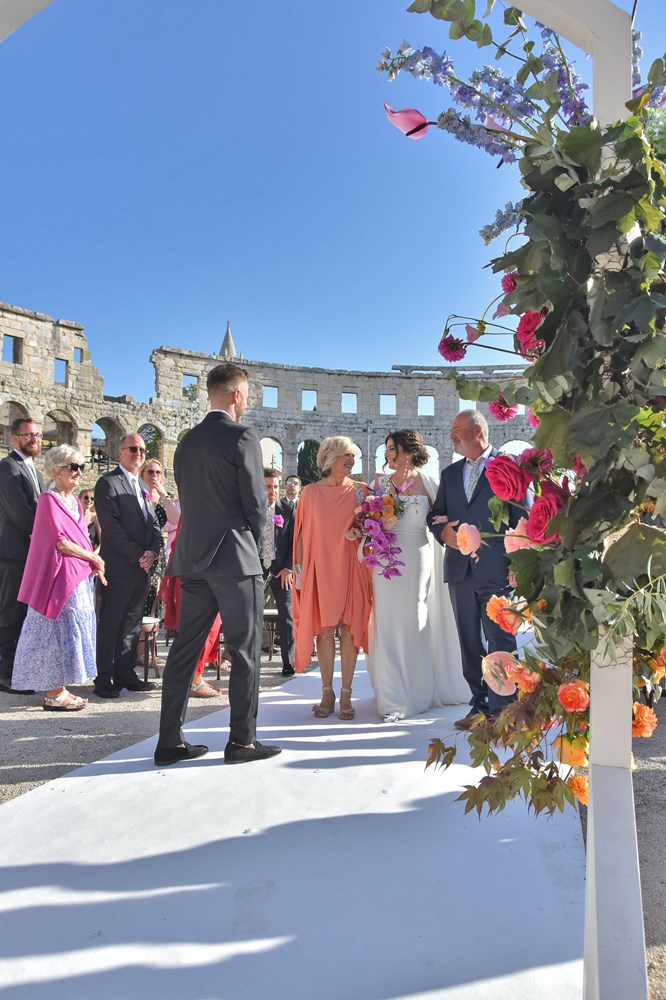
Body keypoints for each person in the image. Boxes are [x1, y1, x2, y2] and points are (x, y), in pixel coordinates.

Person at [154, 362, 281, 766]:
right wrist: (251, 541)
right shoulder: (242, 435)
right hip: (234, 559)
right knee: (244, 650)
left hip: (193, 558)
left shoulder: (186, 442)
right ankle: (242, 741)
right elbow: (256, 503)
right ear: (237, 395)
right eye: (247, 395)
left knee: (184, 650)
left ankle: (169, 741)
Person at [428, 410, 522, 730]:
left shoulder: (508, 466)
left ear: (478, 430)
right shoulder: (450, 474)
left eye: (457, 429)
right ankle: (480, 706)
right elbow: (436, 515)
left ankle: (504, 711)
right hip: (459, 571)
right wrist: (442, 532)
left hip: (498, 570)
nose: (451, 435)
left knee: (500, 640)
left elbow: (522, 515)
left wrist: (520, 563)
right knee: (470, 643)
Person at [366, 430, 468, 722]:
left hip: (416, 555)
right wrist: (372, 523)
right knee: (385, 620)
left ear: (408, 451)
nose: (387, 454)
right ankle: (392, 698)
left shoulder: (429, 483)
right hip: (385, 559)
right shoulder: (379, 484)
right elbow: (367, 520)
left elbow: (440, 520)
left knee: (415, 618)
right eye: (386, 449)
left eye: (391, 448)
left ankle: (418, 693)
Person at [11, 445, 106, 710]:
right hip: (57, 578)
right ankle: (54, 693)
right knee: (55, 633)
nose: (79, 472)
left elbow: (82, 539)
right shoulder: (48, 500)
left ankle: (61, 689)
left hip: (77, 576)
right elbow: (60, 542)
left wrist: (92, 560)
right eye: (73, 467)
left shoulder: (75, 502)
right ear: (56, 471)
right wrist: (93, 558)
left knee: (72, 631)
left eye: (81, 467)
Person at [293, 436, 372, 721]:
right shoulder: (309, 493)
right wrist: (299, 572)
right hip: (319, 568)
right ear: (329, 458)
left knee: (350, 630)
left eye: (353, 456)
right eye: (346, 455)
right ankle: (327, 692)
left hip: (352, 566)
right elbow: (301, 535)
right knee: (324, 631)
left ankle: (347, 693)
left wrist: (362, 532)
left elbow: (375, 530)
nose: (352, 460)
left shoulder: (362, 491)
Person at [93, 433, 162, 698]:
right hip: (120, 568)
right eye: (132, 448)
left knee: (132, 624)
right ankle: (103, 678)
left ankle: (125, 673)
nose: (138, 453)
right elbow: (111, 528)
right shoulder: (108, 483)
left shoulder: (143, 486)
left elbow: (153, 524)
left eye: (142, 449)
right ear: (120, 451)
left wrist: (152, 553)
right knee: (111, 623)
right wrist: (138, 555)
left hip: (142, 569)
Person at [0, 417, 45, 694]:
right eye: (29, 435)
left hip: (32, 552)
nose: (35, 439)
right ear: (15, 438)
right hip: (14, 553)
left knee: (26, 613)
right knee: (10, 612)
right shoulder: (7, 467)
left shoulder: (35, 471)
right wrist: (41, 536)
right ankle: (5, 673)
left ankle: (21, 670)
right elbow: (21, 512)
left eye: (37, 434)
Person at [260, 468, 296, 676]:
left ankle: (288, 662)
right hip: (257, 567)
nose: (272, 491)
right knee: (251, 613)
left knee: (286, 614)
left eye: (275, 486)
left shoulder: (287, 509)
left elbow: (295, 541)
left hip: (281, 568)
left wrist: (288, 568)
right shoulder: (251, 509)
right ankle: (250, 660)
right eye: (267, 486)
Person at [139, 458, 180, 616]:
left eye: (158, 472)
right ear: (143, 474)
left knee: (154, 590)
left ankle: (152, 629)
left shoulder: (165, 496)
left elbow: (175, 519)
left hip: (157, 547)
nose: (154, 475)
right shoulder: (136, 493)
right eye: (150, 472)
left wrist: (164, 495)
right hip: (138, 545)